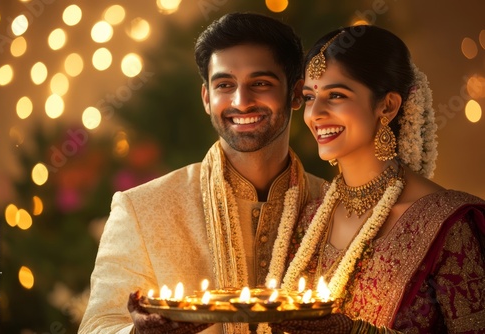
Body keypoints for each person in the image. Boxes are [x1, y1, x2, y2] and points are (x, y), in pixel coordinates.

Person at [78, 12, 326, 334]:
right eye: (225, 85)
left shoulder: (331, 205)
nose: (241, 101)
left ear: (295, 94)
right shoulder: (142, 209)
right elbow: (98, 326)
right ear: (207, 98)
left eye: (260, 83)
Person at [266, 25, 485, 333]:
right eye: (309, 97)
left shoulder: (447, 225)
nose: (315, 113)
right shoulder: (310, 218)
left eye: (337, 95)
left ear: (388, 105)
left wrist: (354, 331)